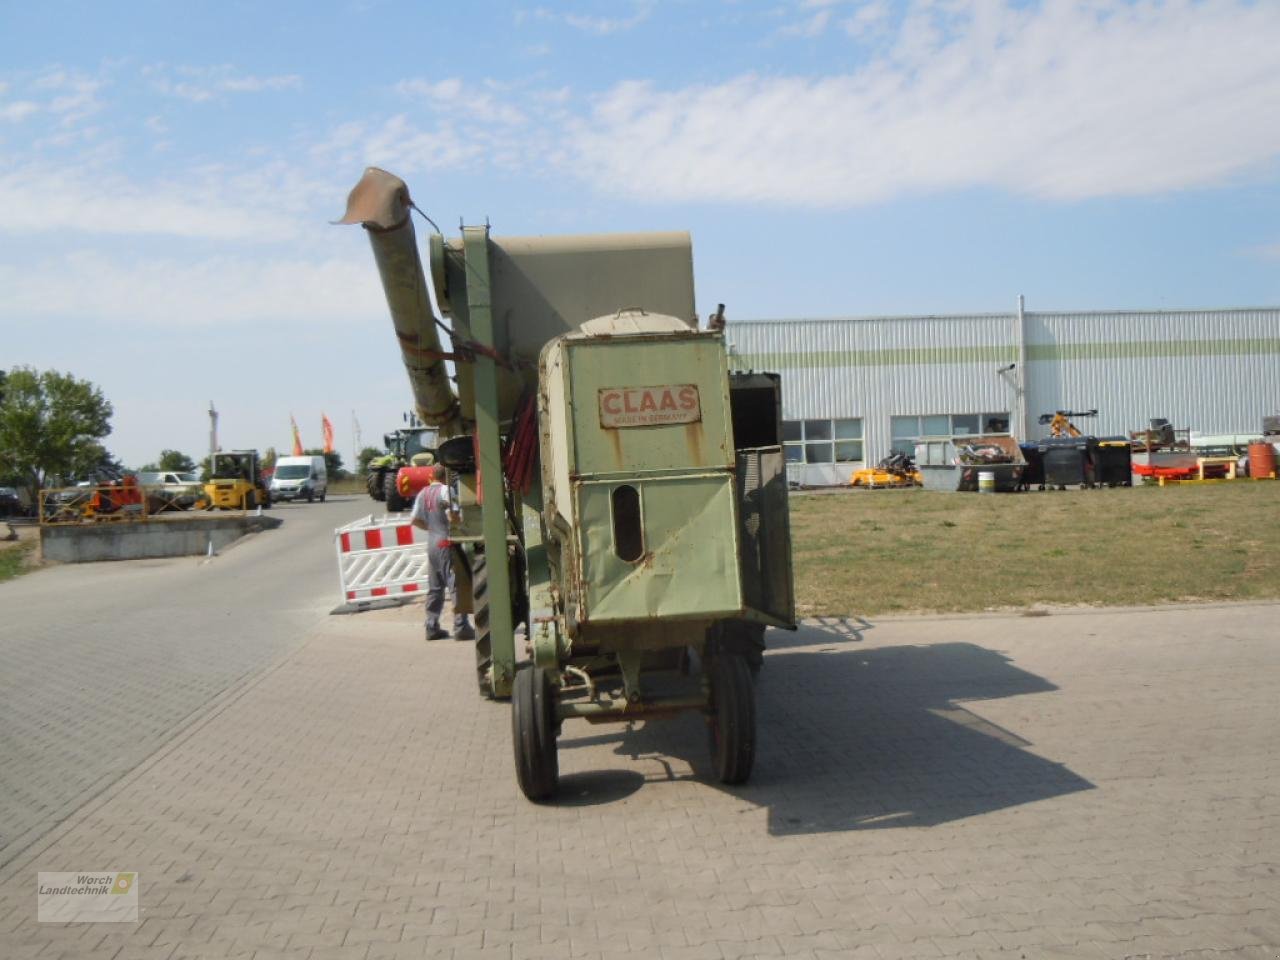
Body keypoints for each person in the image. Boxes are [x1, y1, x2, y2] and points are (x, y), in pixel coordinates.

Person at [410, 464, 475, 641]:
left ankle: (431, 626)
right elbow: (452, 516)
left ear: (432, 476)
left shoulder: (423, 493)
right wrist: (460, 522)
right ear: (446, 476)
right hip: (446, 541)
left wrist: (430, 527)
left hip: (431, 542)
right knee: (455, 584)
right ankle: (461, 626)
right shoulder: (447, 491)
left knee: (435, 587)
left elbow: (414, 520)